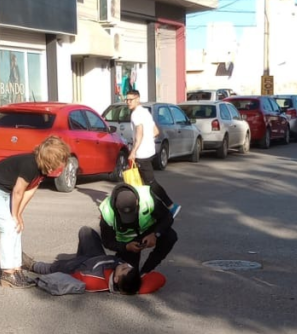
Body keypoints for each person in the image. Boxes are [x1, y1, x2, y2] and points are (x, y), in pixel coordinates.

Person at [0, 136, 71, 288]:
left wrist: (19, 215)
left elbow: (30, 190)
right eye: (61, 161)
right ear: (51, 159)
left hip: (3, 192)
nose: (62, 165)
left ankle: (17, 269)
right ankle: (8, 273)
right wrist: (14, 215)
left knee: (17, 227)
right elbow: (18, 191)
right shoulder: (30, 165)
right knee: (9, 226)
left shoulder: (42, 168)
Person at [23, 226, 166, 295]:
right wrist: (138, 287)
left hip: (78, 266)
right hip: (97, 258)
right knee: (86, 231)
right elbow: (160, 278)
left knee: (54, 267)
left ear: (116, 279)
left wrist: (40, 276)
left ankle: (31, 265)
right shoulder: (130, 281)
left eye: (124, 268)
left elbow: (64, 278)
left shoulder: (92, 281)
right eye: (128, 267)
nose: (125, 265)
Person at [99, 183, 178, 275]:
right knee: (130, 277)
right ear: (116, 207)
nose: (129, 218)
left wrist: (155, 234)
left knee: (170, 236)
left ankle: (146, 271)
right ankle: (130, 267)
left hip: (149, 231)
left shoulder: (147, 198)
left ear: (137, 202)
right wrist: (126, 247)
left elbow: (167, 217)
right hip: (128, 242)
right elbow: (107, 242)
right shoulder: (107, 212)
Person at [126, 89, 181, 217]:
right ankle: (148, 210)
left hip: (142, 154)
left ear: (138, 99)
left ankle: (170, 206)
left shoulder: (136, 114)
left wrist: (133, 151)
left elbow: (140, 133)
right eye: (127, 100)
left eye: (131, 99)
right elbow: (156, 131)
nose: (128, 102)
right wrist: (148, 142)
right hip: (149, 152)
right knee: (143, 185)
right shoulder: (145, 112)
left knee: (150, 183)